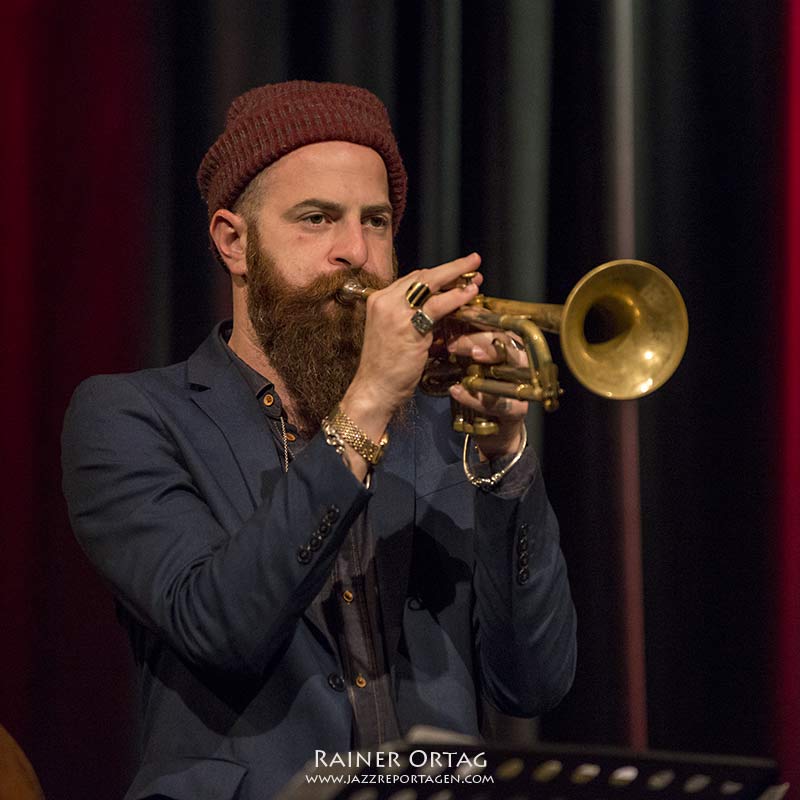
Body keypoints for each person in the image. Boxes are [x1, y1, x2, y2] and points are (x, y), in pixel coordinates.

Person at [62, 80, 576, 800]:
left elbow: (533, 683)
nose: (355, 252)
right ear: (233, 243)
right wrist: (366, 404)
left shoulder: (439, 428)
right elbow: (220, 626)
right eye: (316, 218)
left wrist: (505, 462)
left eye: (376, 221)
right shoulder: (130, 418)